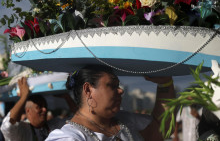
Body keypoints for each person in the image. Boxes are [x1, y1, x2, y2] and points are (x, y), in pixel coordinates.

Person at [46, 65, 175, 141]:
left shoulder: (124, 120)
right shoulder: (69, 137)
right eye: (112, 86)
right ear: (88, 90)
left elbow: (161, 128)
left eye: (118, 85)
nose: (120, 91)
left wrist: (165, 84)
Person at [0, 77, 76, 141]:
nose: (45, 109)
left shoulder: (53, 125)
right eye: (39, 107)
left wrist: (67, 97)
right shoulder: (22, 130)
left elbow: (78, 120)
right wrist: (24, 97)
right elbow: (7, 125)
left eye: (45, 106)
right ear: (28, 111)